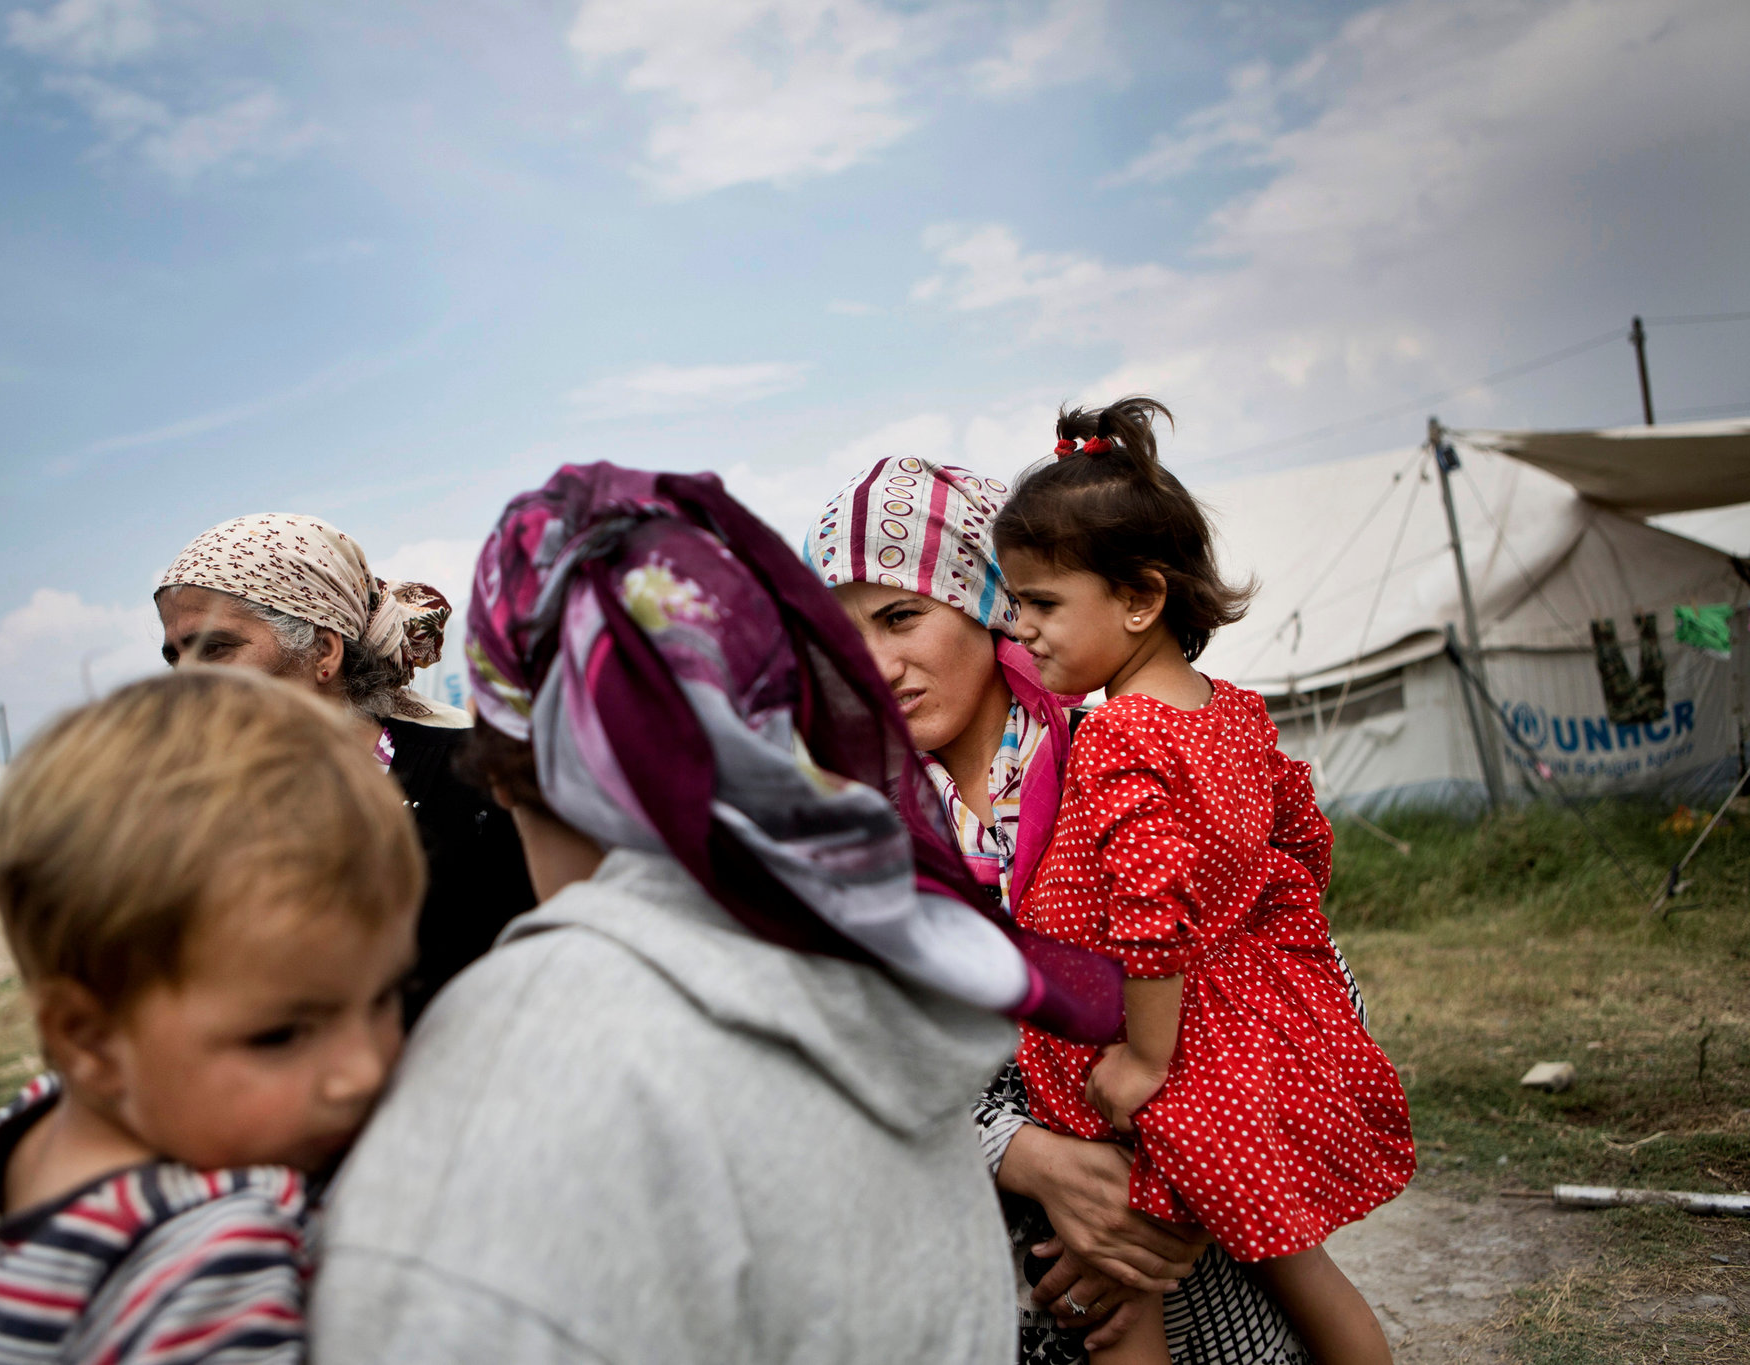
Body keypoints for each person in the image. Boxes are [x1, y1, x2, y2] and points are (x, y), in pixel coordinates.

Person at [311, 464, 1122, 1364]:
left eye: (901, 616)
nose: (879, 661)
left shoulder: (515, 1048)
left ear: (509, 760)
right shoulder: (863, 895)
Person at [807, 454, 1370, 1364]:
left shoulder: (1125, 754)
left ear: (992, 604)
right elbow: (844, 1064)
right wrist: (1027, 1159)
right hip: (989, 1292)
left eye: (901, 616)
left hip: (1204, 1282)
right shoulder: (846, 832)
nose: (875, 664)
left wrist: (1182, 1187)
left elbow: (1305, 971)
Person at [997, 398, 1415, 1364]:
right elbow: (1299, 837)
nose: (1022, 629)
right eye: (1015, 604)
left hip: (1157, 1053)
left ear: (1140, 598)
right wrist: (1260, 953)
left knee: (1121, 1292)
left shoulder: (1121, 733)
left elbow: (1151, 917)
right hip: (1233, 1034)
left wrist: (1144, 1062)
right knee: (1304, 1269)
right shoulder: (1233, 712)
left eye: (1043, 603)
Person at [0, 670, 426, 1365]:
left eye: (387, 994)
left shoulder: (15, 1137)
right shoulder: (219, 1259)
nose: (365, 1070)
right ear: (89, 1040)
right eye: (281, 1034)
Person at [156, 513, 535, 1020]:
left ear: (323, 649)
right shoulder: (187, 824)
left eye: (215, 647)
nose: (186, 679)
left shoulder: (479, 779)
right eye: (175, 656)